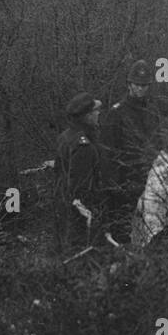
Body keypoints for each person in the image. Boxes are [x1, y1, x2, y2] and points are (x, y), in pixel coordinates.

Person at [100, 59, 162, 243]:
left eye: (145, 85)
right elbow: (108, 153)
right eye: (137, 85)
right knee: (125, 236)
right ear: (129, 85)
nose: (141, 89)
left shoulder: (153, 111)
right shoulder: (117, 113)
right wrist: (116, 187)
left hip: (151, 183)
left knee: (152, 235)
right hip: (126, 184)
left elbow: (159, 144)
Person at [55, 92, 105, 252]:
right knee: (82, 254)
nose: (98, 114)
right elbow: (80, 186)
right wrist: (91, 212)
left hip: (63, 205)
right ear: (87, 116)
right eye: (95, 111)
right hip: (80, 213)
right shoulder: (84, 145)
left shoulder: (65, 137)